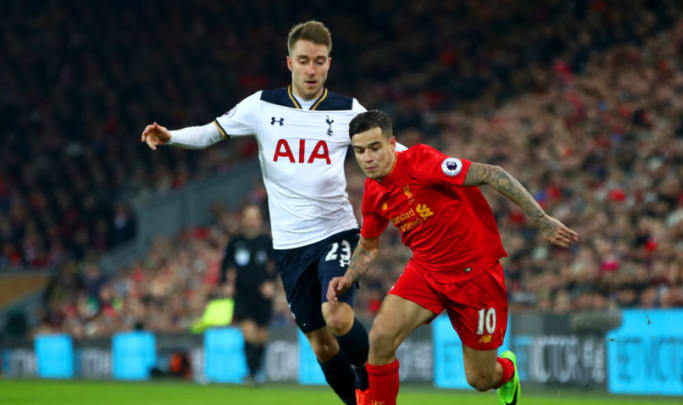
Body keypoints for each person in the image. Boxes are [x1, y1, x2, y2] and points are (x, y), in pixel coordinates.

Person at [141, 21, 404, 405]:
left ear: (329, 64)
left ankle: (378, 393)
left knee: (338, 316)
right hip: (289, 246)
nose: (311, 70)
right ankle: (357, 402)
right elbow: (211, 132)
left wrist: (435, 169)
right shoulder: (260, 106)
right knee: (322, 346)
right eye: (303, 61)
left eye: (318, 61)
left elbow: (389, 151)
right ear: (289, 63)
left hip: (335, 231)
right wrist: (171, 136)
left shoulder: (349, 111)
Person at [328, 110, 579, 405]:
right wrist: (348, 276)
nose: (367, 158)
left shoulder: (421, 162)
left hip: (476, 275)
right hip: (426, 271)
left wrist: (542, 219)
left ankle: (507, 372)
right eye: (359, 151)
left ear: (392, 144)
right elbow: (369, 248)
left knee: (481, 379)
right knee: (381, 338)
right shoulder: (373, 192)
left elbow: (492, 174)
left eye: (374, 148)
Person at [219, 205, 275, 384]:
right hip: (242, 293)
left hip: (262, 295)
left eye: (254, 217)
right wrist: (226, 283)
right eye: (248, 216)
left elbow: (277, 265)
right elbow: (225, 265)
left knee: (261, 335)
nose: (251, 220)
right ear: (243, 219)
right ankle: (251, 373)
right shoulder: (235, 242)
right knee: (248, 331)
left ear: (259, 220)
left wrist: (271, 283)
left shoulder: (267, 241)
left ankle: (257, 370)